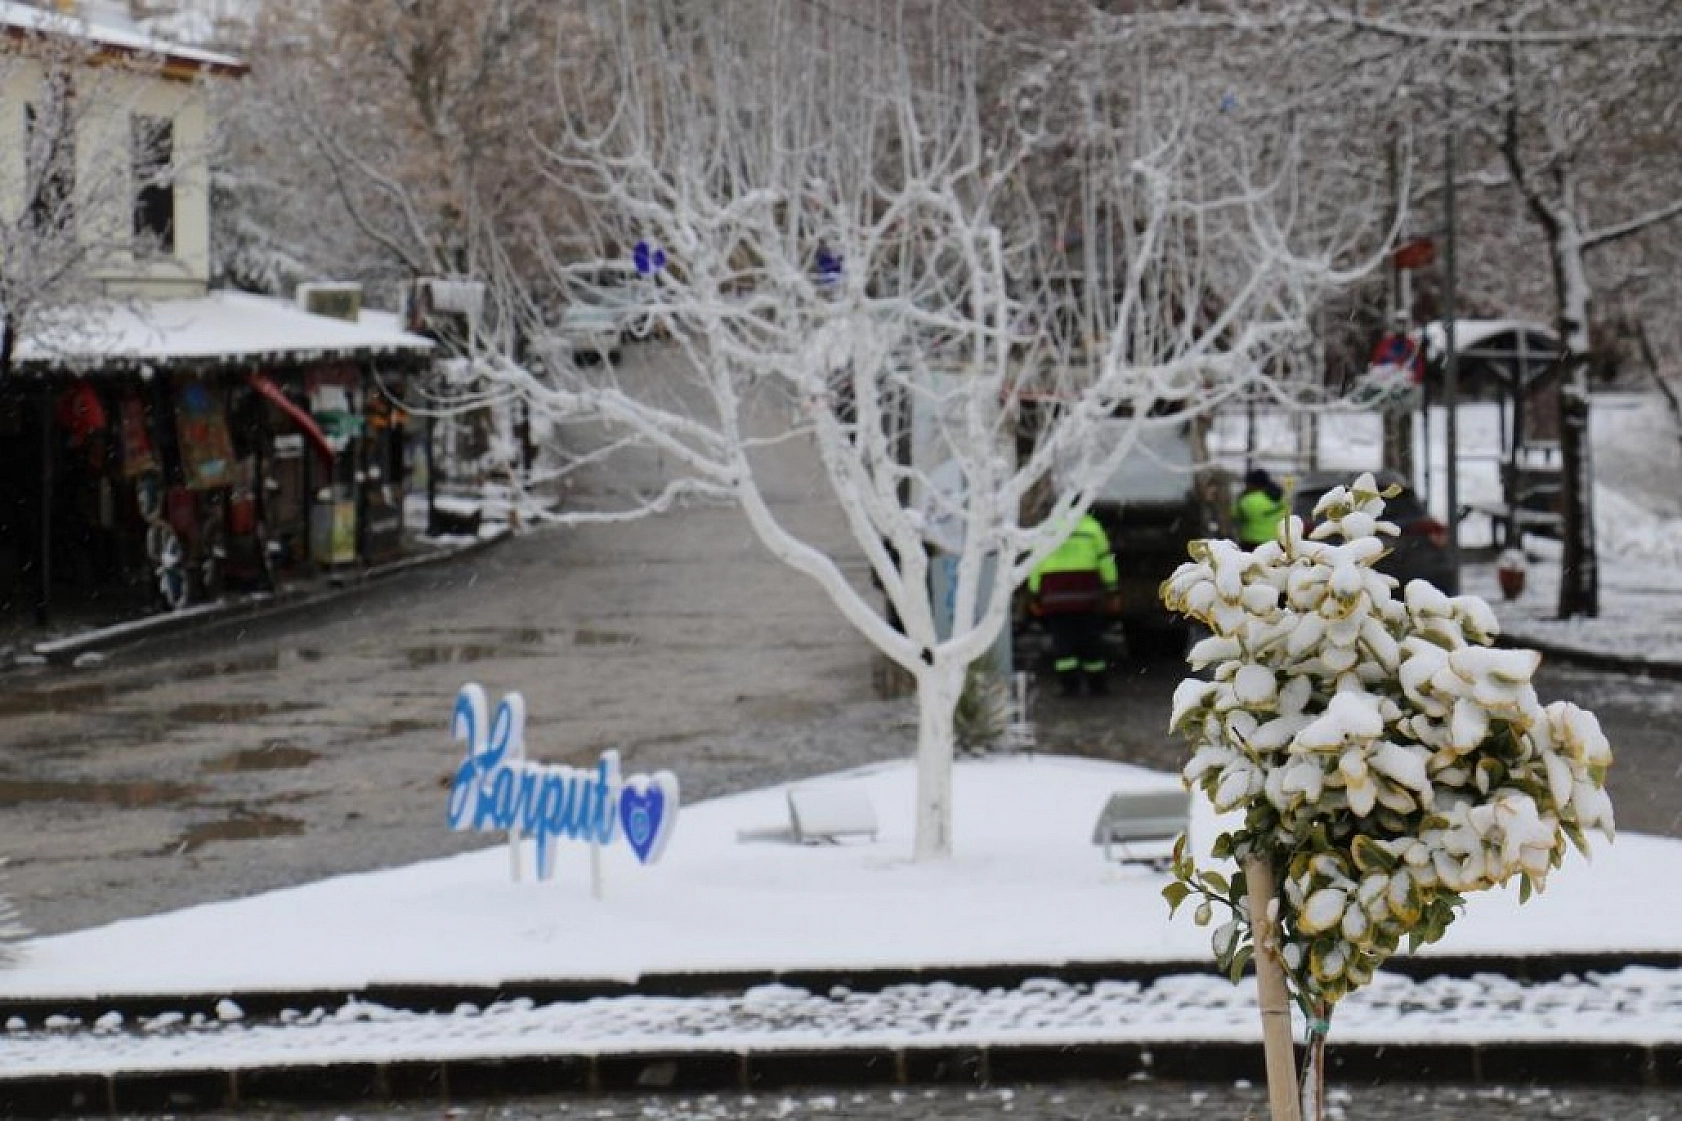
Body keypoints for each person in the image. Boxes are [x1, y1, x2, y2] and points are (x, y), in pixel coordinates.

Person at [1028, 511, 1120, 697]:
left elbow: (1036, 562)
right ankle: (1097, 685)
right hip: (1085, 594)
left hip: (1054, 595)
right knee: (1090, 640)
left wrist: (1034, 593)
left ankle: (1069, 687)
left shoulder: (1047, 528)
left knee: (1062, 642)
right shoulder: (1092, 526)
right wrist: (1112, 589)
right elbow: (1105, 560)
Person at [1235, 467, 1288, 548]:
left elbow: (1235, 516)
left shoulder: (1248, 500)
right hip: (1277, 543)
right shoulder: (1281, 498)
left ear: (1252, 483)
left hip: (1252, 543)